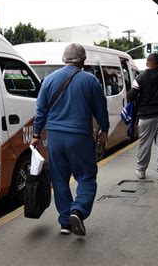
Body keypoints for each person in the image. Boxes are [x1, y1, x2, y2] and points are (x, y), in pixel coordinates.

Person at [31, 43, 109, 236]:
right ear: (82, 60)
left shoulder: (49, 80)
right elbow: (101, 109)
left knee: (59, 179)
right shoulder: (90, 81)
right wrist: (104, 130)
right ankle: (78, 211)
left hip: (55, 138)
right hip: (80, 137)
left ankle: (65, 222)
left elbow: (40, 111)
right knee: (86, 177)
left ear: (64, 59)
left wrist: (36, 135)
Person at [127, 53, 158, 187]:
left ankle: (141, 170)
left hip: (146, 116)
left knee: (145, 144)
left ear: (147, 64)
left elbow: (132, 96)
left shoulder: (140, 78)